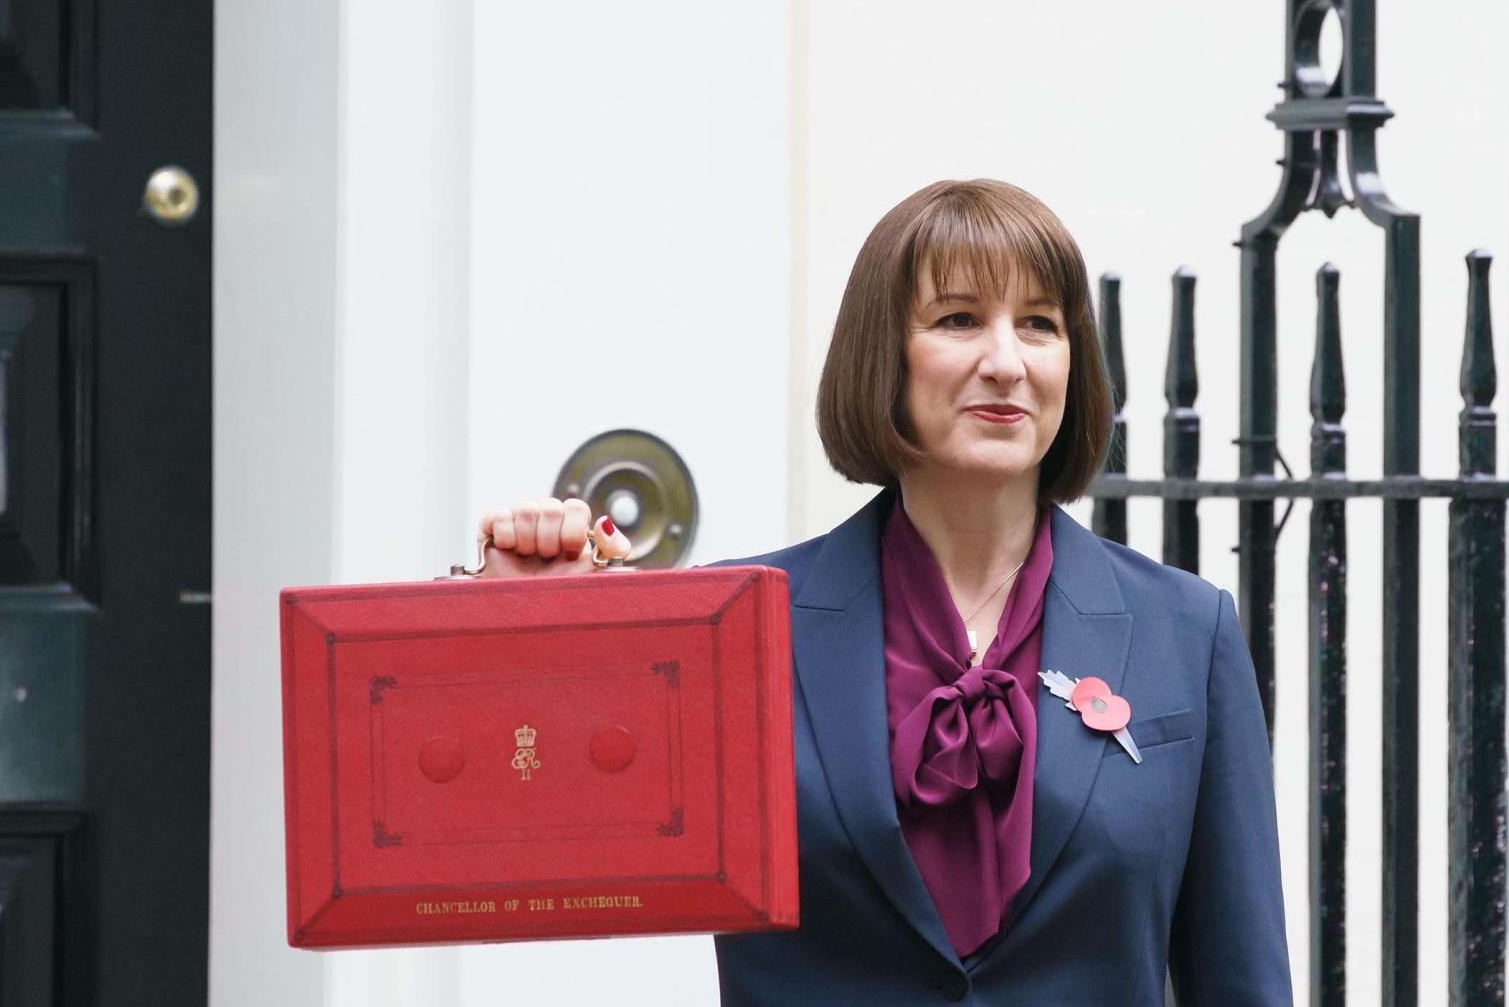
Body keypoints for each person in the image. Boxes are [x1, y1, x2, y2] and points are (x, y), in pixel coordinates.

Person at [476, 179, 1290, 1005]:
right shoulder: (737, 627)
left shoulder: (1188, 632)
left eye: (1040, 324)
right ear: (883, 354)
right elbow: (524, 842)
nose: (1006, 362)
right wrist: (531, 629)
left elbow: (1244, 978)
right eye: (959, 318)